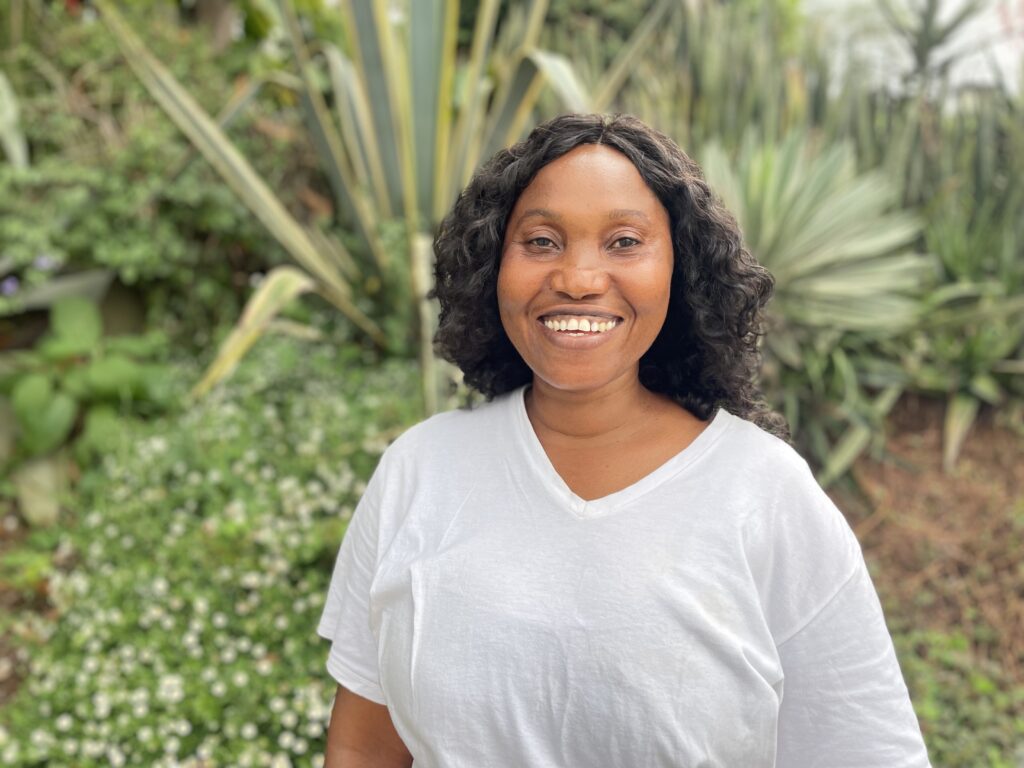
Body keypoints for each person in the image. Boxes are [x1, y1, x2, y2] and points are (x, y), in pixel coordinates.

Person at [317, 113, 931, 767]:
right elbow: (364, 748)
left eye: (624, 241)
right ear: (494, 264)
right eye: (543, 241)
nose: (580, 277)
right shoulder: (421, 469)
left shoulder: (765, 493)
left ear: (679, 269)